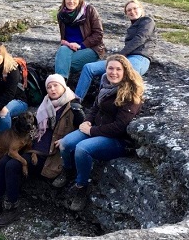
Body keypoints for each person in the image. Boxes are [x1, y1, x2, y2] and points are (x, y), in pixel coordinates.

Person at [0, 74, 84, 227]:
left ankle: (12, 208)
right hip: (33, 148)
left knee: (12, 165)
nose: (52, 89)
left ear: (64, 86)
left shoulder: (74, 107)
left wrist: (66, 139)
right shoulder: (46, 104)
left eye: (55, 85)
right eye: (49, 87)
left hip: (50, 155)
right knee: (4, 160)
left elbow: (81, 128)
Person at [54, 54, 145, 212]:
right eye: (110, 68)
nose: (113, 72)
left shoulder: (130, 94)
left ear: (126, 71)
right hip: (97, 128)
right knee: (65, 143)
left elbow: (120, 126)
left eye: (118, 69)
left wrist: (92, 130)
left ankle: (82, 186)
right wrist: (87, 121)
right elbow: (96, 107)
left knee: (82, 149)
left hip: (117, 140)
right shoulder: (106, 84)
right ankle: (68, 171)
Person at [74, 0, 157, 99]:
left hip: (140, 58)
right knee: (88, 68)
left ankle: (102, 105)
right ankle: (76, 101)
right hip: (126, 58)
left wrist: (120, 55)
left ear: (141, 9)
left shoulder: (147, 21)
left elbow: (140, 39)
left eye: (135, 8)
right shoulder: (132, 26)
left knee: (112, 75)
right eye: (129, 10)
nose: (132, 11)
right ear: (126, 13)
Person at [54, 0, 106, 82]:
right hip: (69, 47)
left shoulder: (89, 10)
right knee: (62, 50)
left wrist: (81, 45)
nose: (71, 1)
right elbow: (64, 36)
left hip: (90, 48)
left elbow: (98, 34)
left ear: (79, 0)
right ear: (64, 0)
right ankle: (60, 86)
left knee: (63, 64)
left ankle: (59, 85)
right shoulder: (61, 14)